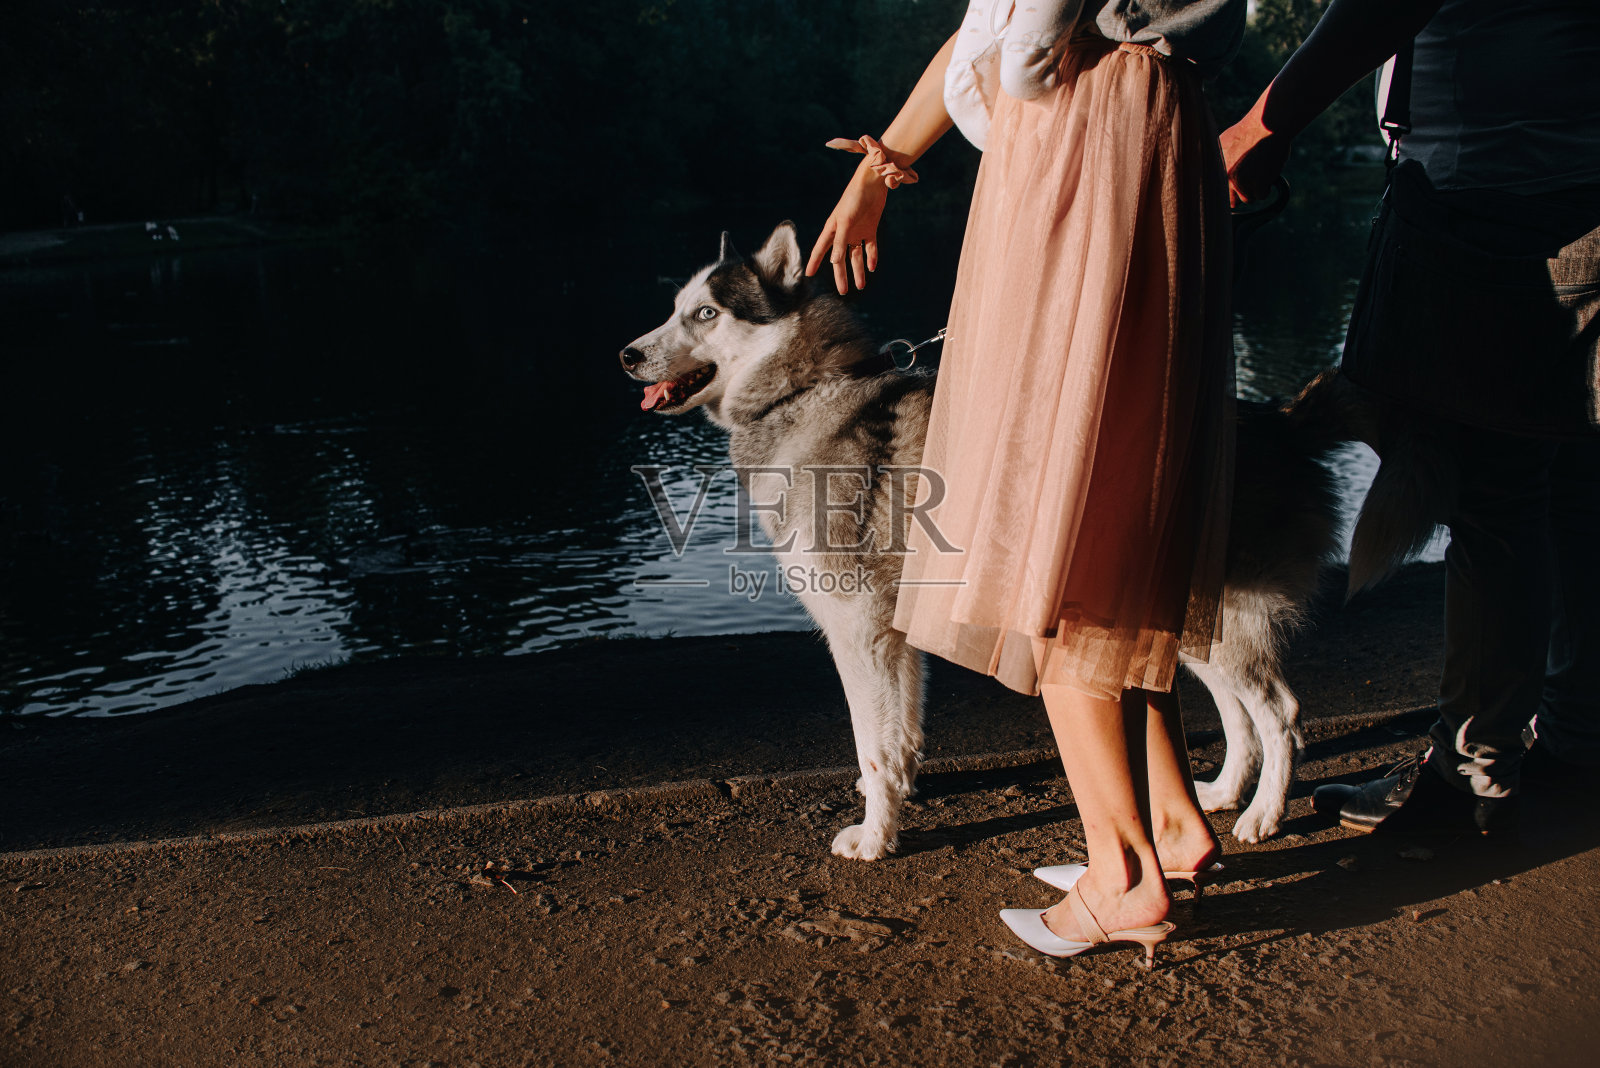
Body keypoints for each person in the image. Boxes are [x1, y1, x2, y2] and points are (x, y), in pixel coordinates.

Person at [806, 0, 1247, 963]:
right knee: (1114, 492)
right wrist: (880, 165)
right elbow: (986, 20)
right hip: (1155, 118)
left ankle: (1120, 871)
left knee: (1053, 507)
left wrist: (1020, 86)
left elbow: (1022, 33)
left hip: (1079, 131)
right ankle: (1168, 817)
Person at [1221, 0, 1600, 835]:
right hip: (1567, 176)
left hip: (1496, 193)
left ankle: (1472, 776)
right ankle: (1578, 736)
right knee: (1572, 475)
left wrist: (1267, 118)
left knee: (1497, 493)